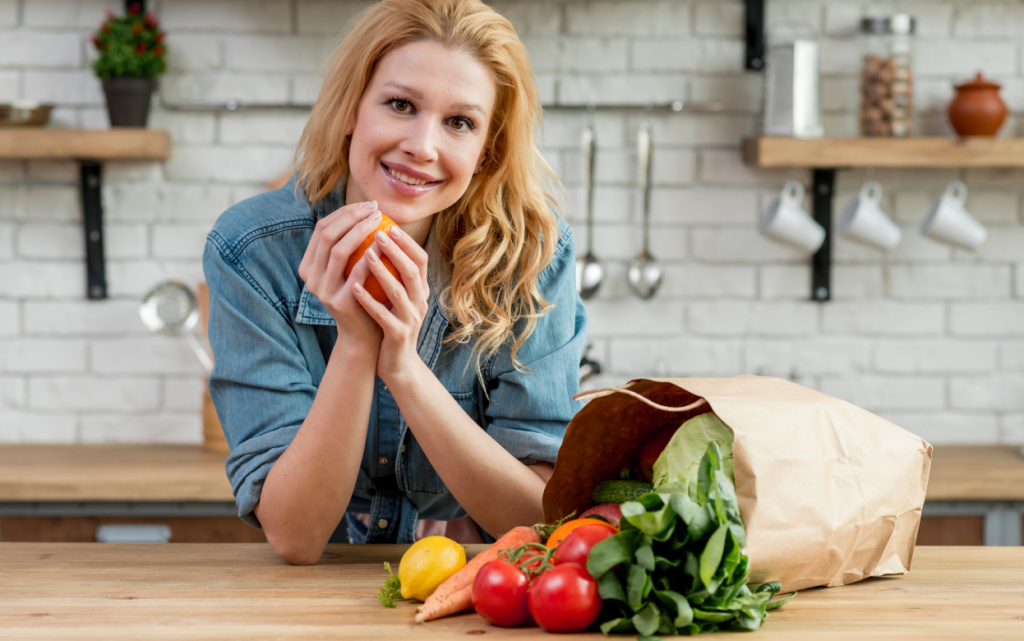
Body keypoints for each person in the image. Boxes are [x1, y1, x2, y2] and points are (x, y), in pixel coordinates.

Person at [203, 0, 587, 565]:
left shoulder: (534, 256)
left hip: (480, 587)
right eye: (401, 104)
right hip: (314, 597)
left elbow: (537, 519)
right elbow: (294, 535)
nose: (422, 146)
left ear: (487, 152)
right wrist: (358, 344)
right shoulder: (253, 251)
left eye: (460, 122)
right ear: (351, 109)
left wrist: (404, 367)